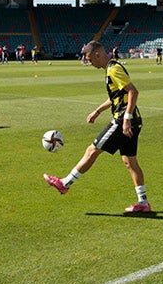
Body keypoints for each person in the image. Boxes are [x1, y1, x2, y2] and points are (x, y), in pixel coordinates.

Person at [44, 40, 151, 213]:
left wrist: (126, 119)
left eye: (89, 59)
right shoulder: (111, 68)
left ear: (98, 55)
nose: (89, 63)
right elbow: (117, 95)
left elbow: (133, 91)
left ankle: (65, 183)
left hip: (123, 120)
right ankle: (143, 202)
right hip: (133, 121)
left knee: (92, 150)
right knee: (130, 162)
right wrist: (97, 111)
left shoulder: (114, 69)